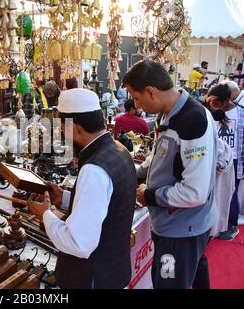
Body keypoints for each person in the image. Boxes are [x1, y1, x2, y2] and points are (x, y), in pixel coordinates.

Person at [28, 88, 137, 289]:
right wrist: (66, 198)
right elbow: (107, 204)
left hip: (94, 278)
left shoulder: (94, 169)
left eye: (62, 128)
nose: (62, 134)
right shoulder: (119, 150)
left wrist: (45, 214)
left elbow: (79, 244)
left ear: (75, 127)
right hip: (113, 271)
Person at [123, 60, 218, 289]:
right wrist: (132, 171)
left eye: (136, 98)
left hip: (181, 232)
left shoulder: (192, 120)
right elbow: (160, 158)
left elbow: (196, 192)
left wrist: (151, 195)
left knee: (169, 283)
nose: (136, 104)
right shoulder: (167, 115)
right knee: (192, 274)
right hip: (173, 226)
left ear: (151, 92)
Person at [205, 83, 243, 240]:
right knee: (212, 192)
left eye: (214, 102)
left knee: (230, 192)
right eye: (209, 102)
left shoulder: (240, 112)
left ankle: (230, 224)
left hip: (233, 159)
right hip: (212, 158)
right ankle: (213, 224)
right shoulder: (209, 112)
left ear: (225, 100)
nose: (211, 105)